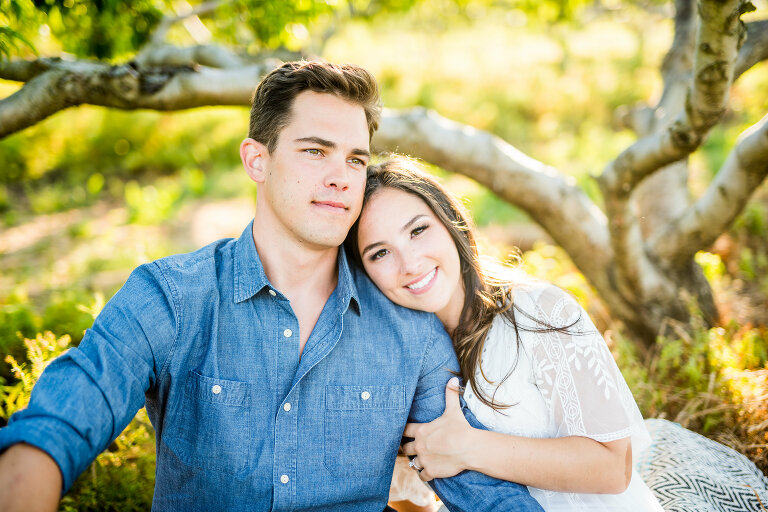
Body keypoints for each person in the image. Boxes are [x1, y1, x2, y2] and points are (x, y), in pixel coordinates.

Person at [0, 61, 545, 512]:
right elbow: (63, 420)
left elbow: (489, 499)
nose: (341, 176)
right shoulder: (172, 299)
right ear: (257, 160)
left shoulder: (409, 329)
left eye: (355, 159)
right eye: (315, 151)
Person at [348, 156, 665, 511]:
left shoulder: (540, 312)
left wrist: (468, 447)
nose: (409, 264)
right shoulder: (394, 362)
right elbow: (413, 498)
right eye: (380, 253)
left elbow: (612, 467)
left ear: (450, 222)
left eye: (418, 230)